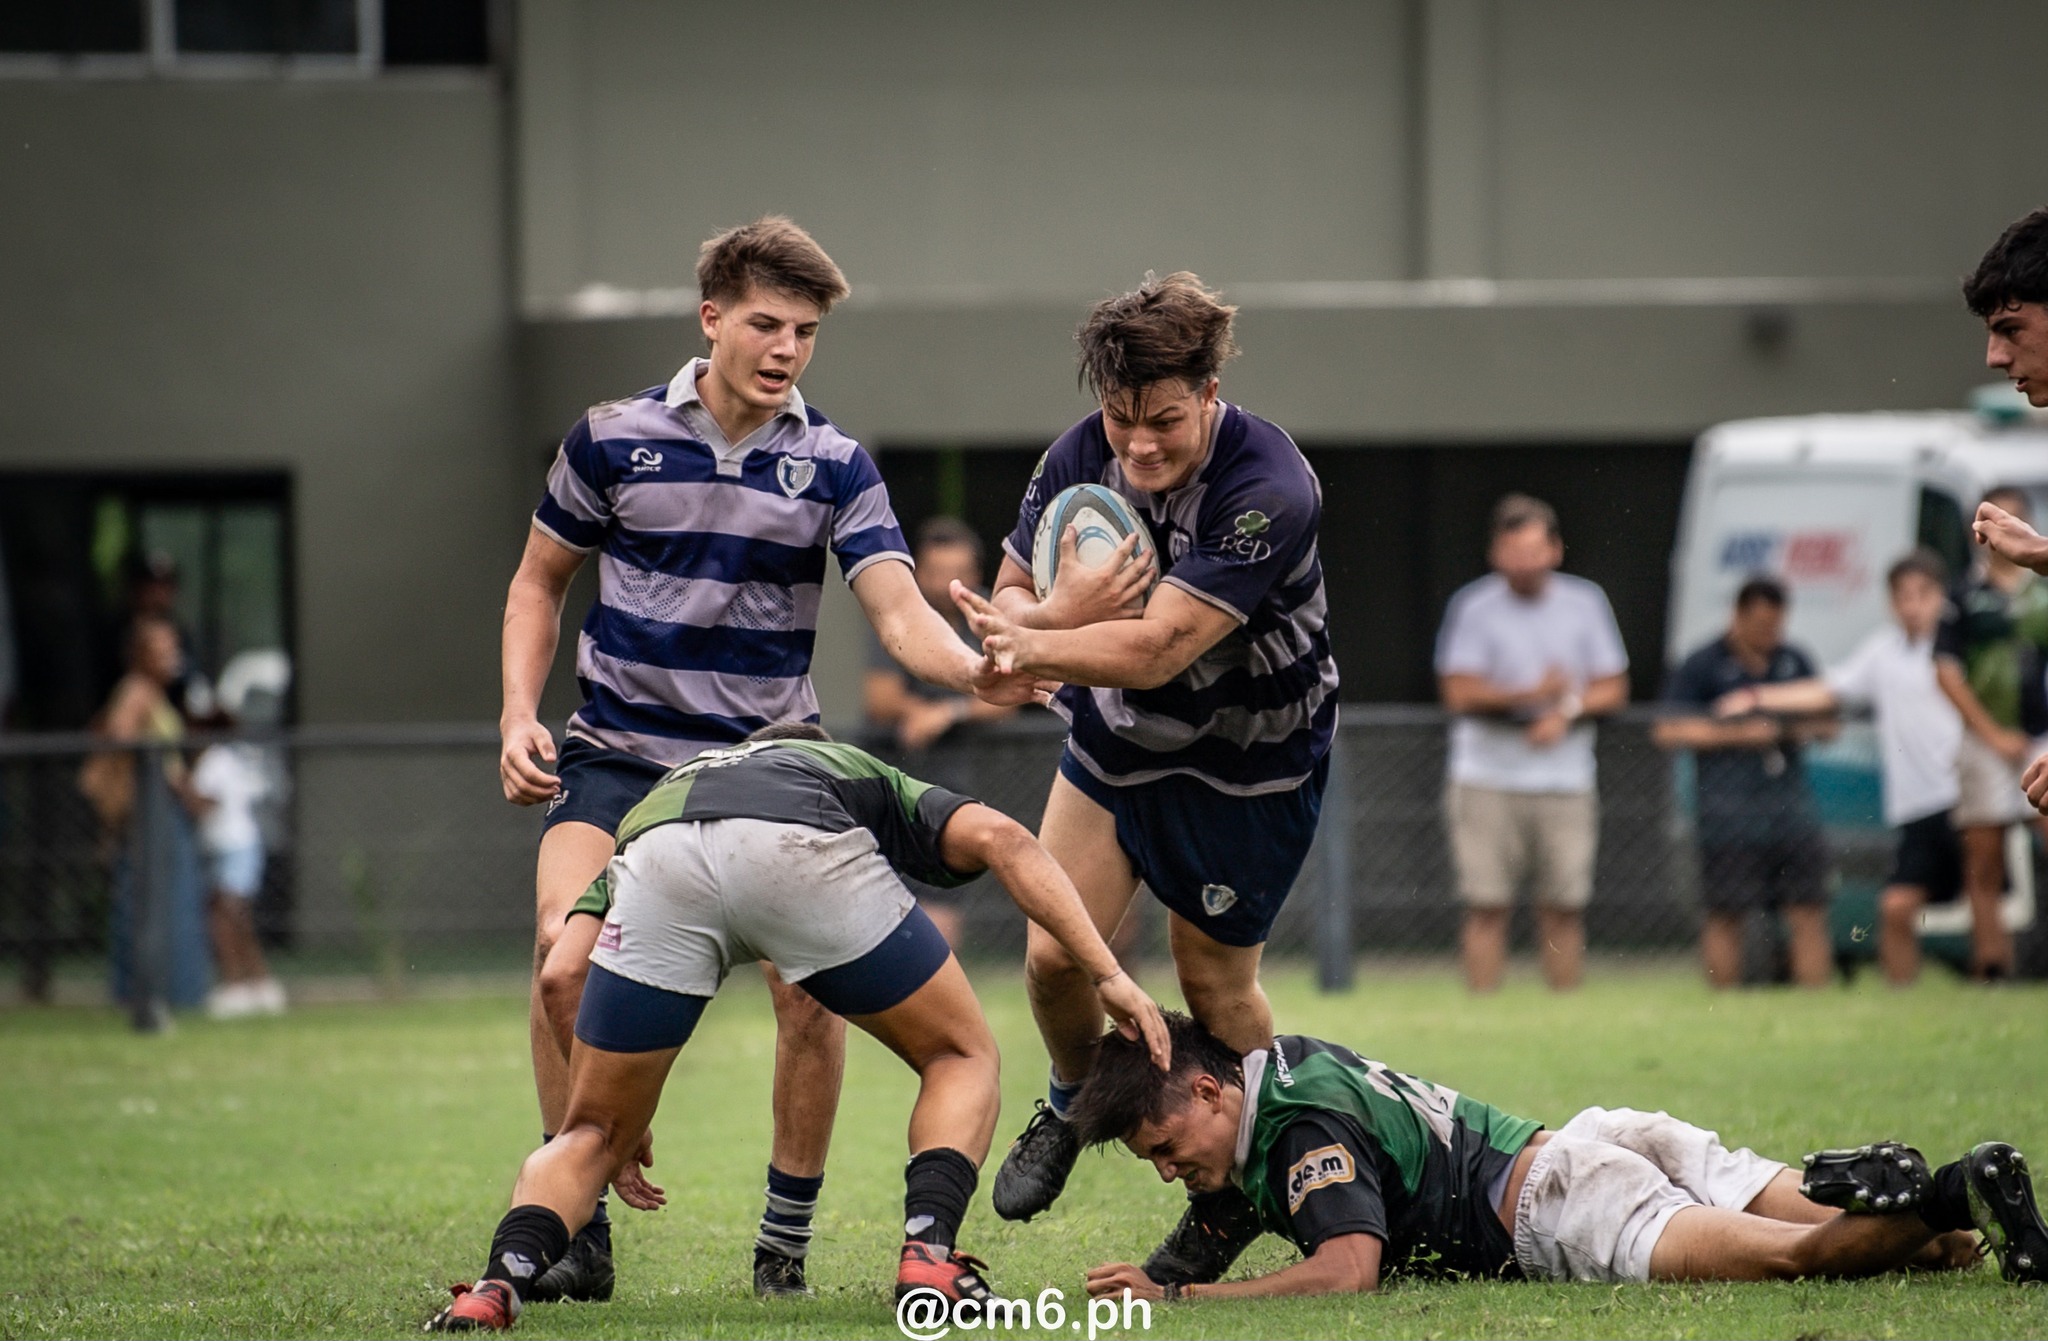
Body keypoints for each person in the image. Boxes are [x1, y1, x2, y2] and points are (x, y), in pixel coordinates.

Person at [495, 217, 1041, 1301]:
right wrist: (518, 710)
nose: (786, 346)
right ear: (711, 319)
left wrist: (974, 671)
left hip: (767, 771)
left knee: (808, 998)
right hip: (616, 758)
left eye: (804, 330)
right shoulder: (609, 438)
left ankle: (781, 1247)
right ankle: (578, 1227)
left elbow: (896, 612)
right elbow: (536, 583)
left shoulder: (832, 463)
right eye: (764, 323)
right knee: (559, 961)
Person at [426, 725, 1169, 1331]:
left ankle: (496, 1285)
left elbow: (560, 972)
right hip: (794, 841)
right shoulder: (845, 763)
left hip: (661, 857)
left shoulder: (663, 795)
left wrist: (610, 1107)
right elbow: (1006, 839)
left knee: (585, 1135)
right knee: (959, 1054)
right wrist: (1107, 974)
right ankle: (928, 1256)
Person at [949, 272, 1339, 1282]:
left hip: (1246, 767)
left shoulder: (1270, 489)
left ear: (1209, 393)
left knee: (1214, 989)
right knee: (1049, 962)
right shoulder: (1081, 454)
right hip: (1118, 745)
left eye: (1165, 421)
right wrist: (1030, 621)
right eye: (1121, 420)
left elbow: (1161, 645)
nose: (1139, 446)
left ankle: (1262, 1181)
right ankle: (1075, 1102)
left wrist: (1032, 641)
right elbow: (1013, 589)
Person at [1067, 1012, 2041, 1301]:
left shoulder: (1297, 1138)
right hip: (1598, 1139)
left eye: (1163, 1147)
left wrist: (1186, 1300)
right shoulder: (1277, 1073)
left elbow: (1345, 1271)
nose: (1165, 1168)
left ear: (1207, 1093)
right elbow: (1218, 1214)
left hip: (1563, 1203)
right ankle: (1944, 1225)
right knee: (1901, 1251)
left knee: (1795, 1257)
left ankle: (1950, 1187)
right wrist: (1155, 1278)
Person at [1716, 552, 1968, 986]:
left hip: (1972, 796)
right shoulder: (1883, 652)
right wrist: (1758, 698)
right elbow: (1827, 690)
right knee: (1895, 908)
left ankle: (1995, 991)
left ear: (1940, 596)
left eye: (1922, 595)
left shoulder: (1965, 645)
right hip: (1919, 804)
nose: (1912, 606)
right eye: (1902, 596)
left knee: (1987, 901)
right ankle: (1903, 1010)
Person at [1435, 494, 1630, 993]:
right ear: (1496, 554)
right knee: (1486, 903)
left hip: (1565, 777)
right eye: (1513, 552)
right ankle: (1483, 1009)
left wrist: (1563, 711)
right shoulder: (1473, 606)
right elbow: (1458, 689)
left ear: (1556, 550)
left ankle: (1561, 1013)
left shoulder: (1586, 602)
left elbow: (1613, 686)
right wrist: (1531, 697)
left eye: (1534, 551)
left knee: (1564, 906)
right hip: (1485, 775)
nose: (1525, 564)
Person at [1654, 577, 1834, 988]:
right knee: (1725, 912)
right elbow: (1667, 730)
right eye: (1759, 625)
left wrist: (1786, 728)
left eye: (1775, 625)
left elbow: (1828, 723)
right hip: (1727, 812)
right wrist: (1736, 734)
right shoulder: (1702, 663)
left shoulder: (1793, 660)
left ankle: (1818, 1008)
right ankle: (1722, 1006)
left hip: (1790, 808)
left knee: (1807, 908)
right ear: (1737, 616)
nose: (1768, 635)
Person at [863, 517, 1021, 947]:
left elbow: (1013, 695)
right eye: (935, 573)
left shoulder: (992, 616)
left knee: (944, 900)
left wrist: (946, 713)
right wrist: (917, 711)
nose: (946, 584)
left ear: (976, 574)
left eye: (959, 573)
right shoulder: (902, 614)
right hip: (903, 782)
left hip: (985, 782)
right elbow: (879, 698)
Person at [1936, 487, 2048, 980]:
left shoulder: (2042, 586)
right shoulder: (1962, 595)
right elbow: (1947, 673)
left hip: (2041, 733)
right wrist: (1992, 733)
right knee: (1985, 862)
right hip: (1985, 743)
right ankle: (1992, 967)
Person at [190, 717, 284, 1018]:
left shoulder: (214, 760)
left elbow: (206, 804)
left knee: (228, 915)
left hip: (235, 846)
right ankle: (254, 985)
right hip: (228, 847)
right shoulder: (225, 759)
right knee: (232, 915)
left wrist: (177, 785)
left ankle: (241, 985)